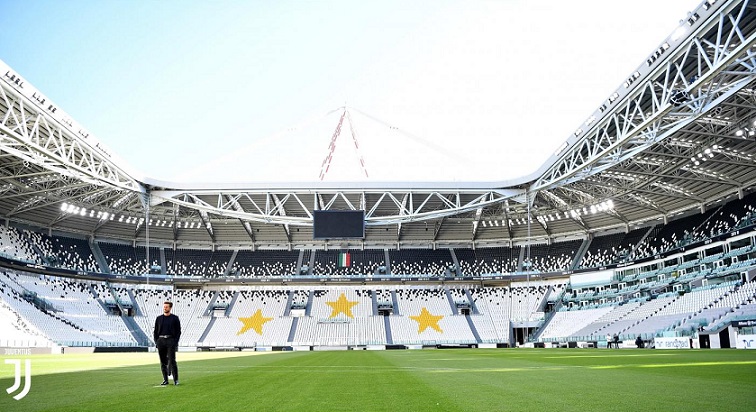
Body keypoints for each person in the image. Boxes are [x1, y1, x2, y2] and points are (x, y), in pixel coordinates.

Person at [154, 301, 181, 385]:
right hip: (161, 341)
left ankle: (176, 380)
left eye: (166, 307)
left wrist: (175, 342)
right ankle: (165, 380)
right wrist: (157, 341)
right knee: (163, 362)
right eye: (164, 306)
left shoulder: (175, 318)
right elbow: (155, 331)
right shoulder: (159, 318)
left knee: (172, 361)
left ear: (170, 308)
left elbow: (178, 331)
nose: (164, 308)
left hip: (170, 340)